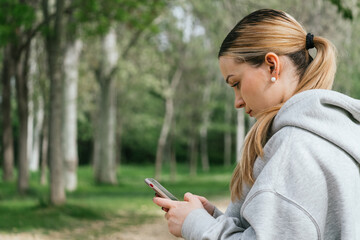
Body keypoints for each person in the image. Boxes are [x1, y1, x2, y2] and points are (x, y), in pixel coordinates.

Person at [153, 9, 360, 239]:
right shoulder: (338, 134)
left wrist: (195, 224)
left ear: (272, 66)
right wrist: (213, 220)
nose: (237, 102)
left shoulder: (294, 147)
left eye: (237, 83)